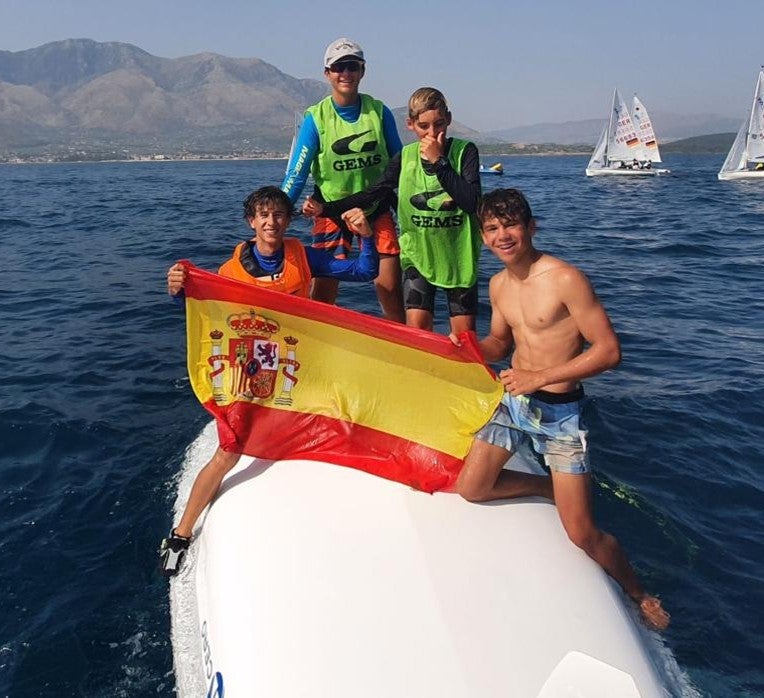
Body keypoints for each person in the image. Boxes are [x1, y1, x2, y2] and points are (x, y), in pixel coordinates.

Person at [451, 188, 671, 631]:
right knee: (471, 488)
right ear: (483, 237)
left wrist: (540, 377)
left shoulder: (565, 279)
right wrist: (463, 346)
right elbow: (500, 343)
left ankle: (639, 592)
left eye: (510, 224)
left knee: (581, 534)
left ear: (531, 227)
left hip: (561, 414)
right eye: (492, 229)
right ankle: (547, 487)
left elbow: (609, 351)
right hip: (515, 401)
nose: (502, 235)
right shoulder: (497, 284)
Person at [159, 185, 378, 576]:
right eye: (263, 215)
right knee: (230, 450)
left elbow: (364, 271)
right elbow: (200, 305)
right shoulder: (231, 272)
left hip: (299, 358)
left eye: (278, 215)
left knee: (337, 419)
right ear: (251, 222)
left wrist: (365, 238)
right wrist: (178, 289)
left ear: (287, 220)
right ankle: (180, 533)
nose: (271, 222)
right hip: (254, 365)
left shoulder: (303, 257)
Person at [311, 87, 482, 335]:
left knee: (464, 336)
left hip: (458, 258)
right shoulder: (405, 158)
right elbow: (374, 192)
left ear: (449, 119)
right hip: (418, 256)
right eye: (424, 126)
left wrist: (439, 163)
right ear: (411, 124)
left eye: (439, 124)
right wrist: (325, 209)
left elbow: (472, 203)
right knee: (418, 329)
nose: (433, 134)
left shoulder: (465, 153)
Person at [280, 37, 405, 322]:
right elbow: (297, 173)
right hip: (331, 211)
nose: (345, 73)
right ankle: (317, 341)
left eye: (352, 66)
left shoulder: (379, 112)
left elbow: (401, 163)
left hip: (375, 208)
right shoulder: (316, 119)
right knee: (324, 288)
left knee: (387, 285)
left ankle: (403, 343)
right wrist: (277, 213)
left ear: (362, 70)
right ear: (327, 73)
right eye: (338, 67)